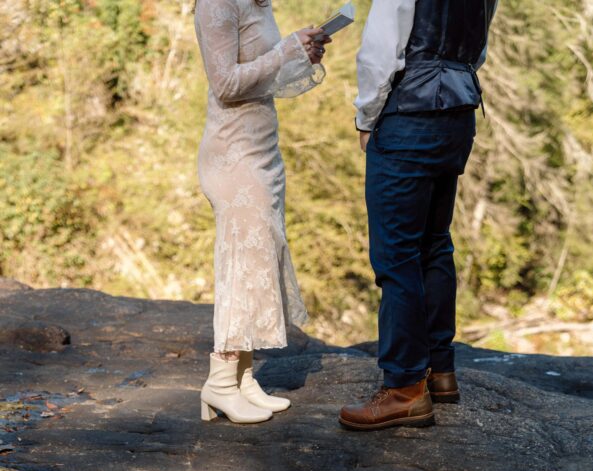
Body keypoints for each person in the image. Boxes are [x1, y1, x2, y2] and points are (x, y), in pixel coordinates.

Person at [339, 0, 497, 431]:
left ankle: (405, 387)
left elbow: (380, 50)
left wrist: (366, 115)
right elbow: (477, 47)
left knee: (396, 255)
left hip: (410, 112)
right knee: (434, 242)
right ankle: (439, 372)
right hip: (459, 111)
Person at [194, 1, 331, 424]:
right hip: (234, 155)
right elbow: (225, 84)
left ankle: (242, 377)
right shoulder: (217, 4)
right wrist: (286, 50)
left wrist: (299, 55)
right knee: (241, 263)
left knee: (260, 262)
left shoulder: (257, 3)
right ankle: (219, 383)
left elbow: (265, 80)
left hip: (263, 150)